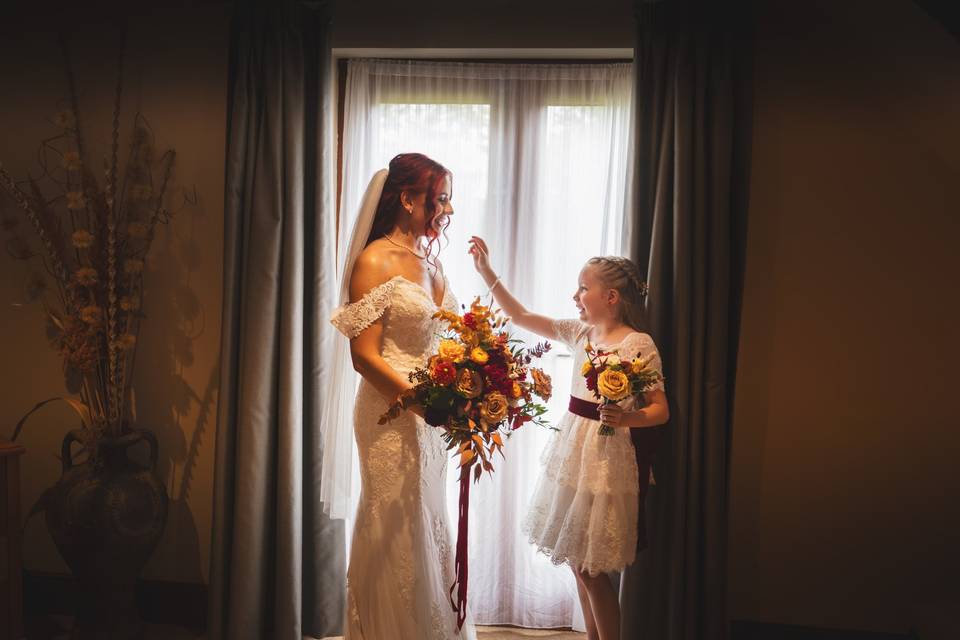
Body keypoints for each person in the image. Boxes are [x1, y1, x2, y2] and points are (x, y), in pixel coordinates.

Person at [468, 237, 669, 640]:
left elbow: (660, 409)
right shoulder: (580, 334)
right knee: (579, 563)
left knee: (593, 568)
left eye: (582, 287)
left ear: (610, 297)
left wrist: (628, 415)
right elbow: (521, 315)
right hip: (573, 452)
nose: (574, 295)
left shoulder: (637, 344)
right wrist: (486, 273)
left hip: (607, 457)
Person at [328, 153, 475, 639]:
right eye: (442, 198)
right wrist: (424, 404)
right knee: (393, 520)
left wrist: (469, 387)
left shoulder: (429, 262)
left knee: (426, 520)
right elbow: (364, 358)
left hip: (430, 415)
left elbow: (444, 340)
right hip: (388, 412)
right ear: (409, 198)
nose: (448, 210)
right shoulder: (375, 260)